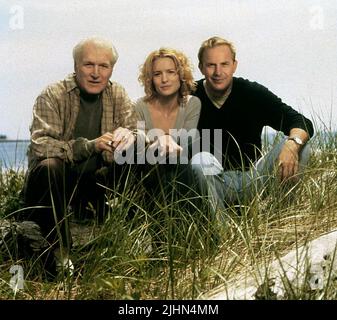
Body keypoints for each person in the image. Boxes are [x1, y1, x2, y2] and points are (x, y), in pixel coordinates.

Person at [22, 37, 137, 273]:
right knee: (49, 166)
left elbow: (134, 130)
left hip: (93, 184)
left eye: (103, 66)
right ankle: (61, 252)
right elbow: (40, 146)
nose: (96, 73)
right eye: (88, 65)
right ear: (75, 66)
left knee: (140, 158)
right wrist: (89, 146)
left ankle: (137, 236)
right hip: (54, 184)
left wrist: (129, 136)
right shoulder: (53, 95)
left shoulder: (118, 95)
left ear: (111, 69)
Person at [191, 36, 314, 217]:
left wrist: (291, 145)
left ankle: (281, 219)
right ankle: (221, 233)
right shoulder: (189, 96)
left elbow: (300, 121)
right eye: (211, 65)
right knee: (200, 161)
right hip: (212, 181)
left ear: (234, 65)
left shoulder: (251, 93)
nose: (218, 72)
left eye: (224, 64)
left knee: (301, 146)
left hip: (252, 178)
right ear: (201, 67)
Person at [135, 47, 201, 205]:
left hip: (181, 172)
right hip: (150, 174)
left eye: (171, 72)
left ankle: (187, 224)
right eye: (157, 74)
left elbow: (186, 142)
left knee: (182, 158)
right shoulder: (140, 106)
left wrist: (165, 141)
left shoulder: (192, 103)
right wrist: (161, 142)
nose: (164, 79)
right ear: (150, 79)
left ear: (181, 75)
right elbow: (140, 149)